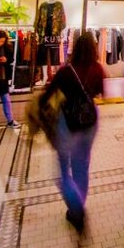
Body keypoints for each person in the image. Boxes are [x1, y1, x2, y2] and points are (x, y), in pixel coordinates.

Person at [40, 31, 104, 232]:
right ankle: (79, 206)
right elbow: (100, 92)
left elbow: (47, 97)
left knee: (63, 171)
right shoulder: (98, 69)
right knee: (82, 167)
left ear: (74, 47)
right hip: (90, 124)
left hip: (68, 125)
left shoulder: (66, 71)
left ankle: (76, 209)